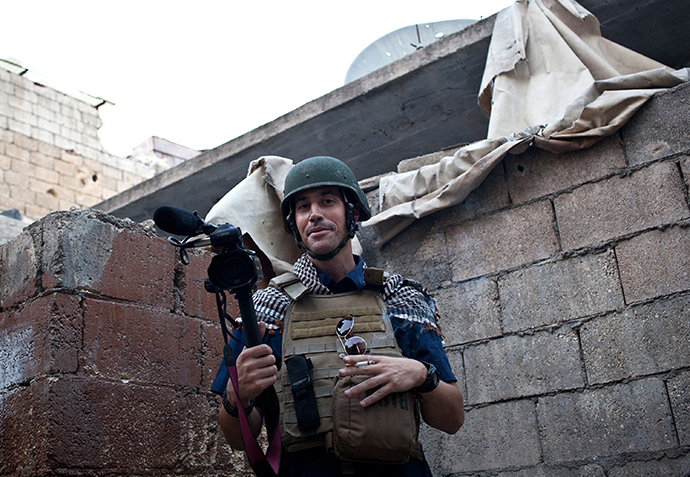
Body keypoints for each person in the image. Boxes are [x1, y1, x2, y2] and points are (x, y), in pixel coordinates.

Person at [211, 156, 464, 476]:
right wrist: (237, 398)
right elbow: (236, 438)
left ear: (353, 212)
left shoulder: (399, 299)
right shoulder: (264, 310)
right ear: (294, 224)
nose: (314, 214)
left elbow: (452, 419)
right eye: (302, 207)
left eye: (327, 201)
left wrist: (420, 375)